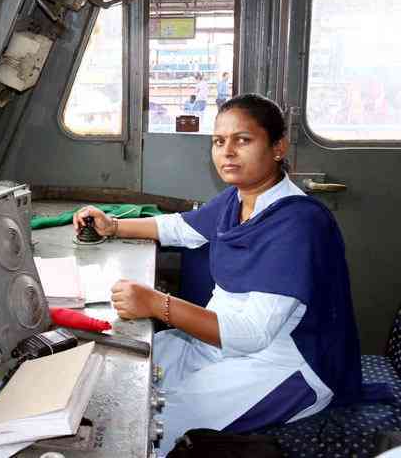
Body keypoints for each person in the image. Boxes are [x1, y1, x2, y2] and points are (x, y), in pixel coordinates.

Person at [73, 93, 363, 455]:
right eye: (218, 141)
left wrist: (157, 304)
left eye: (243, 140)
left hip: (282, 364)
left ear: (278, 147)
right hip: (219, 342)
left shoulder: (299, 224)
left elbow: (254, 334)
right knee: (117, 366)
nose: (227, 152)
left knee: (147, 422)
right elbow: (181, 228)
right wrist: (113, 225)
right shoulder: (238, 199)